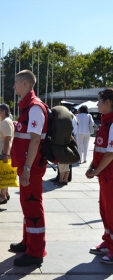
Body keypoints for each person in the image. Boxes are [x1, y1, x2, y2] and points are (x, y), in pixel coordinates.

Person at [10, 70, 48, 266]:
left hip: (31, 167)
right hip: (27, 166)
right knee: (27, 205)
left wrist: (26, 168)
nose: (14, 86)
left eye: (16, 82)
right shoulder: (26, 107)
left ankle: (36, 252)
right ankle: (28, 242)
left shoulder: (34, 108)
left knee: (33, 206)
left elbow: (34, 140)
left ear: (25, 84)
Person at [86, 89, 113, 264]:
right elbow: (100, 151)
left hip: (110, 176)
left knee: (111, 212)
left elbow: (111, 154)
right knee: (105, 211)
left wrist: (96, 170)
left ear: (109, 102)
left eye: (100, 101)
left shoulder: (111, 124)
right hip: (104, 177)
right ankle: (108, 241)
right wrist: (91, 167)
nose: (97, 104)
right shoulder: (105, 123)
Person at [0, 104, 15, 204]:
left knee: (2, 174)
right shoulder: (6, 121)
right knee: (5, 173)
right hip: (4, 151)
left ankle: (2, 195)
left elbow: (7, 139)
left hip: (3, 151)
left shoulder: (5, 122)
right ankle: (6, 193)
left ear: (3, 111)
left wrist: (5, 154)